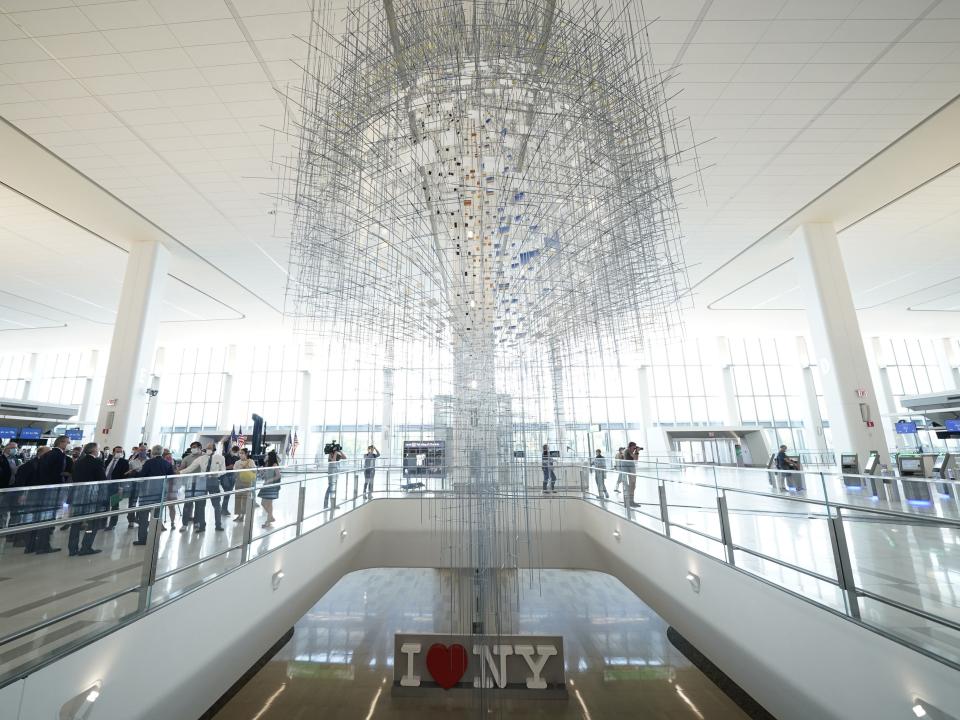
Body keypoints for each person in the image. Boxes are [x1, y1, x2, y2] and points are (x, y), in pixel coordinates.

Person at [25, 435, 70, 554]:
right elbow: (56, 474)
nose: (68, 444)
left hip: (41, 490)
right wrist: (63, 477)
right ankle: (43, 546)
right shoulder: (59, 455)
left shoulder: (46, 455)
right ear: (61, 442)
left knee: (37, 517)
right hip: (51, 491)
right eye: (67, 442)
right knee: (47, 517)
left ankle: (30, 546)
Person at [67, 442, 107, 556]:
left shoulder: (78, 462)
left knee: (76, 522)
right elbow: (102, 480)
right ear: (94, 450)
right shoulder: (97, 462)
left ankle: (72, 548)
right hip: (92, 495)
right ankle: (86, 546)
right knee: (92, 522)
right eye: (98, 448)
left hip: (78, 495)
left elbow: (74, 476)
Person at [132, 446, 174, 546]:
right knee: (156, 517)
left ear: (152, 453)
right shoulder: (167, 463)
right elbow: (171, 478)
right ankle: (154, 538)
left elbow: (142, 476)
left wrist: (136, 473)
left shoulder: (149, 462)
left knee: (143, 517)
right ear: (162, 453)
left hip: (147, 493)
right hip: (160, 493)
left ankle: (143, 539)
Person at [180, 443, 226, 532]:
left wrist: (217, 474)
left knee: (216, 505)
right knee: (201, 505)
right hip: (202, 482)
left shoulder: (220, 458)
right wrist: (179, 473)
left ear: (214, 449)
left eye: (210, 448)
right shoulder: (201, 459)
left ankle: (218, 525)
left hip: (214, 482)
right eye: (207, 448)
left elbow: (224, 470)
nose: (208, 449)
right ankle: (202, 526)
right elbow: (190, 468)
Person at [177, 441, 203, 530]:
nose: (193, 449)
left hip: (201, 483)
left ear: (200, 448)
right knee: (187, 503)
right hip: (189, 483)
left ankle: (197, 522)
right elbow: (181, 468)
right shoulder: (187, 458)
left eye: (195, 447)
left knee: (199, 504)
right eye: (192, 447)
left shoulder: (205, 458)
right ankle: (184, 524)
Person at [103, 446, 129, 531]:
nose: (119, 453)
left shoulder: (124, 462)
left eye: (121, 452)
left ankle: (112, 524)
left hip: (116, 487)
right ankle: (103, 523)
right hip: (106, 486)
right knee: (104, 505)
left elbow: (125, 476)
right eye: (117, 451)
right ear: (113, 452)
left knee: (114, 506)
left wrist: (121, 487)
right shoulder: (108, 461)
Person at [232, 448, 257, 522]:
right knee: (238, 499)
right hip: (238, 481)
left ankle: (243, 515)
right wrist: (240, 469)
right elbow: (234, 472)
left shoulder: (251, 461)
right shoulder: (237, 462)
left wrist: (247, 467)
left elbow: (254, 470)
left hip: (247, 482)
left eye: (242, 453)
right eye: (240, 453)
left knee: (245, 500)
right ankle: (238, 515)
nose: (241, 454)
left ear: (246, 454)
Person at [258, 450, 281, 527]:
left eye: (267, 455)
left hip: (272, 486)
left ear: (270, 456)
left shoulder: (274, 465)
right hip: (266, 485)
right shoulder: (267, 464)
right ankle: (270, 517)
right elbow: (263, 477)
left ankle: (268, 520)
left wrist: (270, 480)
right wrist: (261, 472)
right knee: (263, 503)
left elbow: (278, 475)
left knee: (269, 503)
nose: (265, 456)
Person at [125, 446, 146, 528]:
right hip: (134, 484)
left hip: (145, 485)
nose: (143, 451)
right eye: (141, 450)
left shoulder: (149, 461)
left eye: (144, 450)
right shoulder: (132, 462)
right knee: (132, 502)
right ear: (138, 451)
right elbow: (128, 473)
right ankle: (131, 520)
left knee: (142, 503)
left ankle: (139, 519)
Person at [324, 441, 346, 509]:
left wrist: (340, 450)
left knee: (332, 488)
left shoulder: (337, 454)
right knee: (330, 488)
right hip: (331, 472)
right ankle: (326, 505)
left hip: (336, 472)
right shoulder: (330, 454)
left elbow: (345, 457)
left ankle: (332, 504)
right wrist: (335, 452)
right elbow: (333, 461)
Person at [220, 444, 240, 515]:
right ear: (232, 450)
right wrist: (228, 467)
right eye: (234, 451)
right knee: (227, 492)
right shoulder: (225, 457)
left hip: (233, 476)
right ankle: (223, 509)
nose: (235, 452)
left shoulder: (237, 458)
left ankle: (224, 509)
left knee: (228, 493)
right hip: (225, 476)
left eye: (236, 451)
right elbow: (221, 467)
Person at [623, 441, 641, 508]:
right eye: (633, 448)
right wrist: (637, 451)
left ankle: (630, 501)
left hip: (630, 468)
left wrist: (636, 451)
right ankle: (629, 501)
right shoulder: (627, 451)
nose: (634, 449)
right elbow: (635, 458)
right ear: (630, 447)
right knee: (630, 484)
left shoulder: (629, 451)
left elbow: (635, 459)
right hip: (628, 468)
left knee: (632, 484)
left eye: (635, 448)